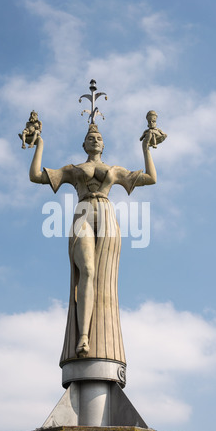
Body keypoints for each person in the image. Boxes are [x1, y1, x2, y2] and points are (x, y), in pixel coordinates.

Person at [29, 123, 157, 365]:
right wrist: (39, 144)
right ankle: (84, 336)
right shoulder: (74, 169)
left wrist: (146, 148)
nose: (95, 140)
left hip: (107, 215)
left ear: (103, 144)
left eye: (98, 137)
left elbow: (151, 178)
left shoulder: (115, 170)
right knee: (86, 271)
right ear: (84, 144)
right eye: (91, 137)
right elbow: (36, 176)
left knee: (103, 277)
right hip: (83, 213)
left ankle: (98, 334)